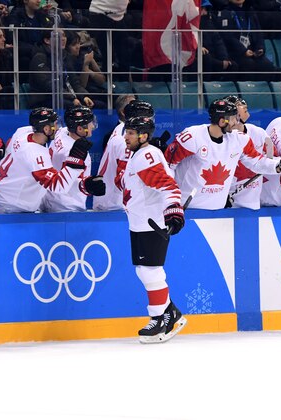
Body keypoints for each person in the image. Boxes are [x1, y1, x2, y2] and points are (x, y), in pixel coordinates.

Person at [164, 99, 281, 210]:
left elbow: (257, 162)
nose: (236, 122)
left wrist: (280, 165)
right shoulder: (192, 137)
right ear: (221, 121)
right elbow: (168, 166)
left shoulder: (239, 139)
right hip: (189, 209)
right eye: (232, 118)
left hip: (218, 211)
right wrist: (171, 202)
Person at [119, 115, 187, 344]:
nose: (125, 136)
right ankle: (170, 313)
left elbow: (167, 185)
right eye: (125, 131)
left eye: (130, 132)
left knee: (151, 270)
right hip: (139, 221)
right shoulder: (138, 155)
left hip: (152, 223)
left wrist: (174, 208)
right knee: (143, 270)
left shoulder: (145, 156)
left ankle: (160, 318)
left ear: (144, 136)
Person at [0, 107, 93, 214]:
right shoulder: (34, 154)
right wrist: (75, 161)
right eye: (55, 124)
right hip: (12, 205)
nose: (58, 128)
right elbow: (58, 186)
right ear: (46, 129)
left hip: (1, 190)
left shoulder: (23, 131)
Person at [40, 106, 105, 212]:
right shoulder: (76, 153)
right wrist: (88, 186)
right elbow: (69, 181)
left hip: (49, 199)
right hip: (66, 206)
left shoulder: (61, 133)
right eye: (90, 124)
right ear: (79, 129)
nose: (92, 126)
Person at [94, 99, 153, 212]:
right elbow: (125, 178)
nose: (150, 122)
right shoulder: (127, 139)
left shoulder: (123, 129)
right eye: (148, 118)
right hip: (115, 206)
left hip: (111, 201)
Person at [224, 95, 274, 210]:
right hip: (228, 203)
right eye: (241, 106)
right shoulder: (223, 138)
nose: (245, 109)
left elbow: (271, 159)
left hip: (253, 203)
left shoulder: (259, 133)